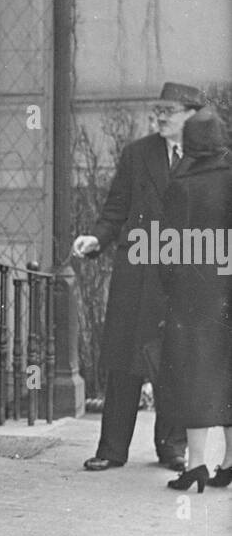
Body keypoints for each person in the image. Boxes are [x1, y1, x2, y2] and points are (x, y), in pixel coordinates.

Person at [73, 82, 204, 473]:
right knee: (124, 359)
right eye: (158, 109)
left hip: (184, 274)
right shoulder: (137, 154)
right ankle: (112, 450)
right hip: (139, 273)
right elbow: (116, 207)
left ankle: (172, 448)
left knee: (177, 360)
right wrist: (96, 237)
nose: (161, 116)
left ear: (191, 115)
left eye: (170, 110)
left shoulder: (209, 159)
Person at [158, 110, 232, 493]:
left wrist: (169, 286)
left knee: (195, 375)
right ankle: (230, 462)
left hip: (195, 295)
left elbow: (168, 249)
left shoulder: (182, 185)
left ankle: (197, 465)